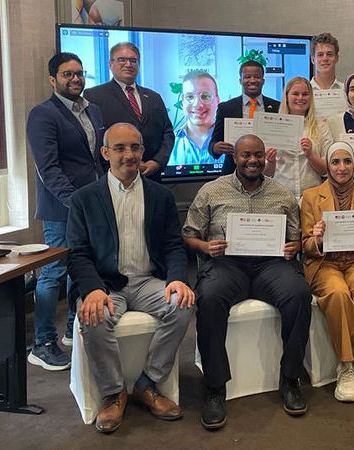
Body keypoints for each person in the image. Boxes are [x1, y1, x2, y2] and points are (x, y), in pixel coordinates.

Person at [66, 123, 195, 434]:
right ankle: (112, 394)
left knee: (183, 304)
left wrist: (177, 278)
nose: (129, 154)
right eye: (120, 148)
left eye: (135, 147)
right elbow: (77, 254)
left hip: (148, 281)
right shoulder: (85, 198)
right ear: (105, 153)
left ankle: (147, 383)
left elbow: (173, 245)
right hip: (106, 284)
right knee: (93, 315)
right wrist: (93, 289)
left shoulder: (160, 196)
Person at [184, 134, 311, 429]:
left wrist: (295, 247)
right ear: (235, 157)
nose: (252, 161)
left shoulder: (282, 194)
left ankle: (290, 378)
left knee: (299, 294)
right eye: (245, 155)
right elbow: (189, 234)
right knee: (210, 297)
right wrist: (205, 247)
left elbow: (297, 238)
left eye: (257, 155)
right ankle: (215, 387)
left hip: (271, 266)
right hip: (227, 265)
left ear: (265, 157)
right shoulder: (211, 191)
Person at [26, 52, 105, 370]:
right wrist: (75, 201)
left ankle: (74, 329)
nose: (76, 79)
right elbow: (48, 167)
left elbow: (96, 159)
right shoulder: (43, 114)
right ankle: (42, 342)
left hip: (90, 203)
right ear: (52, 79)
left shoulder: (94, 111)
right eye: (67, 74)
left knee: (80, 265)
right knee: (54, 272)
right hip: (61, 208)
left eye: (80, 73)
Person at [300, 142, 354, 402]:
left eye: (347, 161)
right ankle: (346, 366)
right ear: (327, 165)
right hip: (325, 264)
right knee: (337, 294)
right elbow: (305, 245)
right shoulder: (311, 196)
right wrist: (317, 239)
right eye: (335, 161)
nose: (341, 167)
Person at [84, 42, 174, 182]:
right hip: (114, 176)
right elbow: (92, 138)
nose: (128, 64)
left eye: (133, 60)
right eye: (122, 59)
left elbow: (167, 133)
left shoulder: (153, 97)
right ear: (110, 64)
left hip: (151, 177)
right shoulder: (94, 96)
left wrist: (158, 162)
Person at [263, 77, 333, 199]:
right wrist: (271, 161)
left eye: (305, 94)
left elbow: (326, 170)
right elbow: (265, 174)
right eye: (295, 94)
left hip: (312, 197)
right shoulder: (273, 126)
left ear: (310, 97)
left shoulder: (321, 127)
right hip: (280, 196)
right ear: (287, 97)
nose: (300, 98)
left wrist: (311, 155)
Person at [209, 60, 281, 175]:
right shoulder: (226, 108)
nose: (252, 80)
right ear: (240, 80)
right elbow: (213, 142)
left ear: (263, 81)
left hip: (269, 172)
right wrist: (216, 147)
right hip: (233, 173)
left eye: (257, 77)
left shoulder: (278, 107)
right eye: (247, 77)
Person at [167, 70, 221, 167]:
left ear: (217, 101)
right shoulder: (169, 143)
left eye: (206, 96)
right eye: (190, 97)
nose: (198, 105)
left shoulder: (230, 142)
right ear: (183, 102)